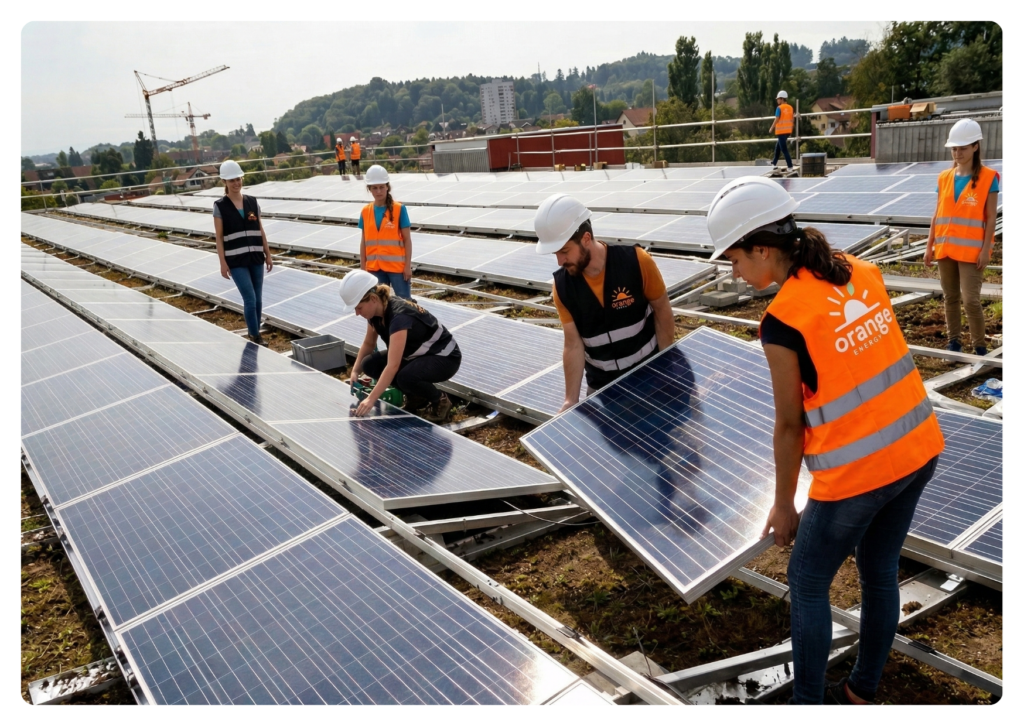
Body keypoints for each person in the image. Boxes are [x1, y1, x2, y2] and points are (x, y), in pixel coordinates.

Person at [706, 176, 945, 707]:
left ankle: (807, 703)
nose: (734, 272)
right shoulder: (860, 269)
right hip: (917, 449)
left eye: (736, 259)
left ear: (763, 248)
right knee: (879, 568)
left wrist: (784, 504)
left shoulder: (783, 321)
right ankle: (861, 692)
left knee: (808, 579)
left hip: (858, 475)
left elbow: (790, 426)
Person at [533, 194, 676, 413]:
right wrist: (570, 400)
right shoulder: (562, 287)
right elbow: (573, 344)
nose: (560, 261)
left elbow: (662, 311)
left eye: (564, 251)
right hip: (603, 390)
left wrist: (665, 365)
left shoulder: (636, 262)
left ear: (586, 239)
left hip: (649, 378)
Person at [339, 270, 461, 421]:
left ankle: (440, 400)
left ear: (372, 298)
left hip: (445, 357)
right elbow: (369, 343)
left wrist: (371, 400)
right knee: (369, 364)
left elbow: (393, 366)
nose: (357, 313)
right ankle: (416, 397)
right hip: (418, 355)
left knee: (405, 377)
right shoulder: (375, 314)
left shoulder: (399, 317)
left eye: (359, 308)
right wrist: (355, 371)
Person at [923, 118, 1000, 356]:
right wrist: (929, 246)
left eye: (963, 148)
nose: (957, 152)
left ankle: (979, 346)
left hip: (972, 252)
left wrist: (986, 250)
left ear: (975, 147)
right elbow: (937, 215)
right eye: (954, 148)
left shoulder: (989, 178)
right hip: (945, 249)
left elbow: (990, 218)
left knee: (971, 301)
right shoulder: (944, 177)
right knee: (950, 298)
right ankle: (953, 341)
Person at [213, 160, 273, 345]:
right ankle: (254, 335)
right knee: (250, 298)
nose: (236, 183)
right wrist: (222, 262)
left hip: (256, 257)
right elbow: (219, 237)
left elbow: (260, 230)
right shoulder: (220, 206)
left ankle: (256, 332)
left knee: (259, 298)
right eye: (232, 180)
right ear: (225, 182)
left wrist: (268, 253)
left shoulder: (252, 202)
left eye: (238, 179)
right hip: (236, 260)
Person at [359, 164, 413, 300]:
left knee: (404, 304)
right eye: (374, 188)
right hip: (374, 269)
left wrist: (407, 266)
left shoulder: (399, 209)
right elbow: (363, 242)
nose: (378, 191)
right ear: (369, 189)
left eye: (381, 187)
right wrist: (363, 267)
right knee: (378, 306)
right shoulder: (365, 211)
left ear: (387, 187)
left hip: (397, 269)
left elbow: (407, 240)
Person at [768, 90, 794, 171]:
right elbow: (792, 119)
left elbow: (776, 119)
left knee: (784, 149)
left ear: (782, 99)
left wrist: (771, 128)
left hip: (781, 131)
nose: (777, 100)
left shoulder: (779, 108)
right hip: (787, 131)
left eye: (778, 99)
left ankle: (790, 166)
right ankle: (774, 163)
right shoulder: (790, 107)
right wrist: (791, 129)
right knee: (778, 147)